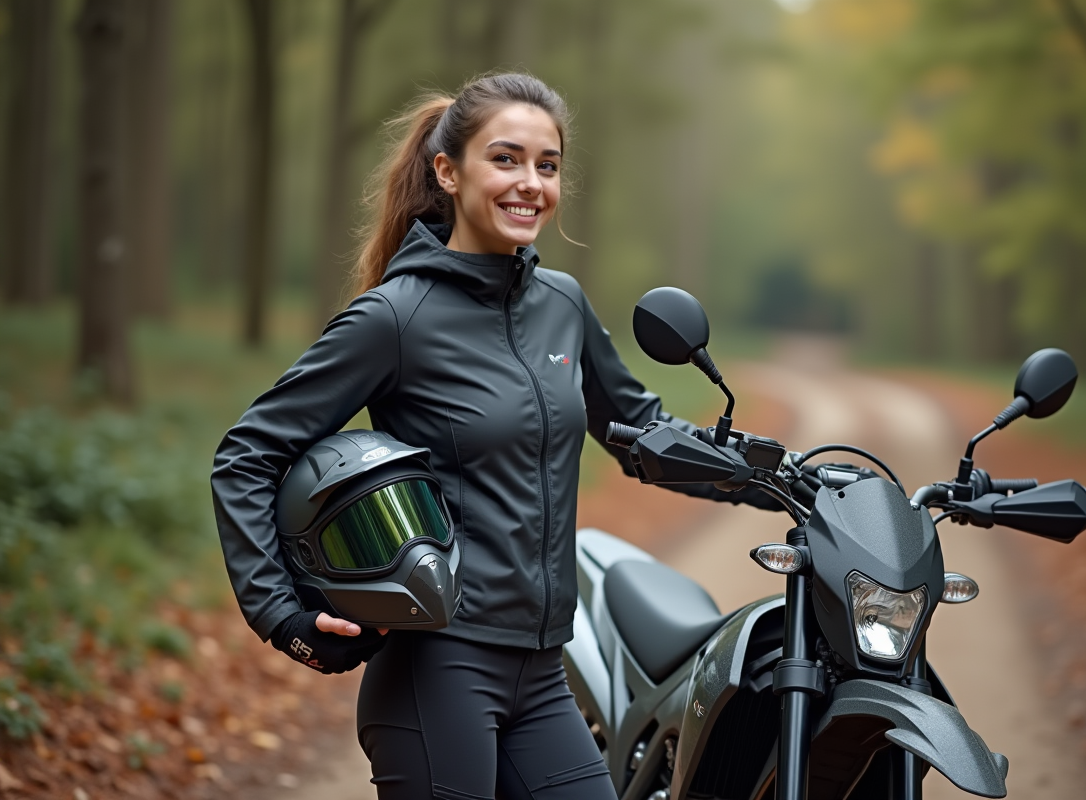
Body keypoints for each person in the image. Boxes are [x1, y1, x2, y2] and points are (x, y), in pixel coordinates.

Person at [211, 73, 777, 800]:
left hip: (543, 672)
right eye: (505, 159)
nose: (530, 184)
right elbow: (248, 454)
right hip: (435, 673)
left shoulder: (562, 304)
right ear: (448, 172)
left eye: (547, 165)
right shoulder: (396, 317)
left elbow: (642, 430)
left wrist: (780, 477)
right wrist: (279, 613)